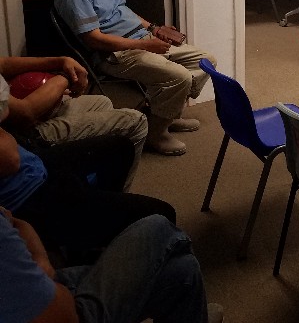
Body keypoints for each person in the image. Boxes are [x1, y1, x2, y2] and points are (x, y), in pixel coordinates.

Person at [54, 0, 217, 156]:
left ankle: (166, 113)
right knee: (178, 77)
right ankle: (156, 133)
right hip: (115, 54)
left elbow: (123, 10)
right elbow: (94, 40)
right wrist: (145, 45)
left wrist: (154, 29)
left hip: (141, 38)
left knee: (206, 61)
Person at [0, 74, 175, 260]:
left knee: (119, 147)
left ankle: (95, 234)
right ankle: (87, 231)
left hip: (34, 159)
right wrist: (62, 79)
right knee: (163, 215)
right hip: (28, 194)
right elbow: (11, 154)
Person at [0, 212, 223, 323]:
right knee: (158, 226)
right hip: (65, 313)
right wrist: (40, 258)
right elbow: (64, 317)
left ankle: (194, 315)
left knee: (181, 272)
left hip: (32, 286)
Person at [0, 55, 147, 190]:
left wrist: (61, 61)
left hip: (20, 124)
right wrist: (64, 78)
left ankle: (80, 185)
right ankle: (115, 200)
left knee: (102, 103)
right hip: (21, 138)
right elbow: (26, 112)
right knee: (136, 120)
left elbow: (3, 63)